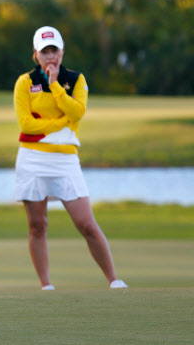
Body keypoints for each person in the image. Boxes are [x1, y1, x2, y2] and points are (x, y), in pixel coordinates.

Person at [13, 25, 128, 290]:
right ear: (36, 54)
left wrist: (55, 87)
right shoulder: (24, 82)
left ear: (62, 51)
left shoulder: (76, 80)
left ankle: (114, 279)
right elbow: (27, 125)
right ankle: (46, 285)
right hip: (32, 159)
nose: (50, 56)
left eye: (54, 50)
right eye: (45, 51)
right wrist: (60, 122)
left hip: (65, 161)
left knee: (86, 223)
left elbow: (76, 113)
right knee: (37, 225)